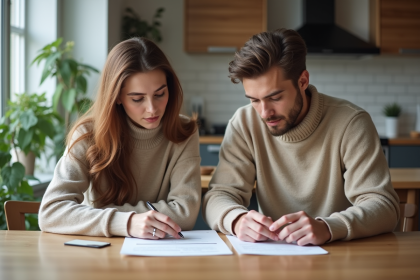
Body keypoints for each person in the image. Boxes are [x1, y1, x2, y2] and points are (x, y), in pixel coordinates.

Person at [202, 29, 400, 245]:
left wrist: (328, 227)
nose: (264, 113)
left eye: (275, 97)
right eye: (254, 100)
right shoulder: (244, 123)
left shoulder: (351, 123)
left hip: (342, 255)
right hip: (272, 257)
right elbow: (217, 196)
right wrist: (237, 220)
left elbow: (384, 206)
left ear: (303, 81)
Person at [39, 37, 201, 239]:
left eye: (160, 94)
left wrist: (106, 211)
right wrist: (128, 222)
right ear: (117, 97)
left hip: (160, 253)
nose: (152, 108)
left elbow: (185, 214)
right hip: (99, 255)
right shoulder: (88, 135)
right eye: (137, 98)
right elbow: (51, 212)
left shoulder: (183, 132)